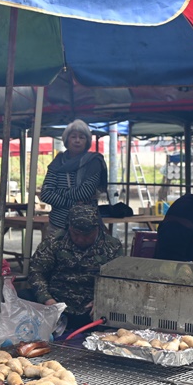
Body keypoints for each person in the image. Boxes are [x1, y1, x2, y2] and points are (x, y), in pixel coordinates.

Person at [28, 203, 122, 332]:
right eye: (76, 234)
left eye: (87, 235)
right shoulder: (54, 241)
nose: (81, 239)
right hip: (57, 305)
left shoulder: (112, 246)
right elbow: (36, 272)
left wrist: (103, 300)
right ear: (69, 227)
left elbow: (119, 280)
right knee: (24, 298)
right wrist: (47, 299)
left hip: (92, 310)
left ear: (97, 229)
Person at [39, 119, 108, 238]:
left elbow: (84, 193)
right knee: (53, 256)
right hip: (57, 225)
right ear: (66, 140)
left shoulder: (94, 162)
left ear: (87, 141)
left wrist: (58, 192)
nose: (77, 140)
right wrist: (73, 203)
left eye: (82, 137)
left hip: (85, 228)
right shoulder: (57, 162)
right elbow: (45, 194)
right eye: (73, 137)